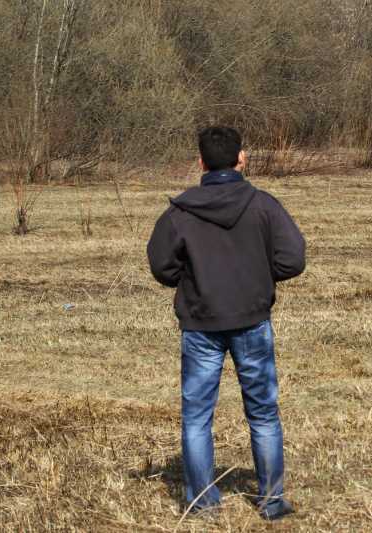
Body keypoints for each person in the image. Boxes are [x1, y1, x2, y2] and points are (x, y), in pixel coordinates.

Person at [147, 126, 305, 520]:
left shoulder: (180, 213)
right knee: (263, 413)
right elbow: (293, 259)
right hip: (252, 321)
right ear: (242, 159)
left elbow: (162, 266)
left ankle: (203, 504)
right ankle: (271, 501)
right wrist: (260, 275)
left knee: (197, 417)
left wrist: (192, 279)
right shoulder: (264, 206)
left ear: (200, 162)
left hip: (200, 322)